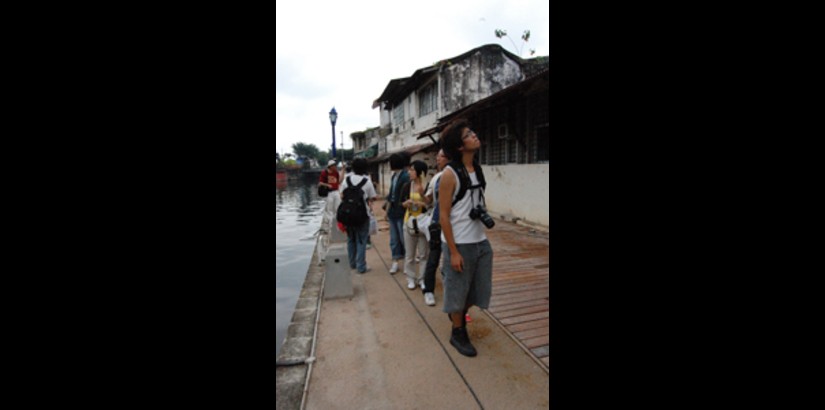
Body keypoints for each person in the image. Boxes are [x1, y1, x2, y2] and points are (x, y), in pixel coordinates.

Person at [438, 118, 493, 357]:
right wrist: (454, 252)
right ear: (460, 147)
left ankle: (457, 316)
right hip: (460, 242)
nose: (474, 135)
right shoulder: (449, 174)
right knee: (458, 293)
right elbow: (443, 215)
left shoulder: (477, 169)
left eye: (472, 132)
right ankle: (457, 332)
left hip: (480, 241)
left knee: (479, 291)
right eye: (469, 134)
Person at [420, 149, 450, 306]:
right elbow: (428, 201)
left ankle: (452, 293)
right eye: (437, 155)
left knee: (450, 261)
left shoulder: (460, 174)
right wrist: (420, 192)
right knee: (434, 257)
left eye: (442, 156)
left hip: (454, 225)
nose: (438, 158)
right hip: (437, 222)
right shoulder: (437, 178)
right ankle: (429, 290)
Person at [339, 158, 377, 274]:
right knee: (361, 240)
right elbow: (373, 197)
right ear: (365, 168)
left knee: (351, 239)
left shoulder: (347, 180)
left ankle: (352, 264)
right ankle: (361, 266)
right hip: (362, 216)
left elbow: (341, 196)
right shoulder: (367, 181)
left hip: (348, 215)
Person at [400, 160, 429, 290]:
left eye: (412, 170)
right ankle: (410, 278)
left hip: (423, 223)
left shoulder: (428, 186)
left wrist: (422, 202)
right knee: (409, 255)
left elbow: (431, 205)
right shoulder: (407, 186)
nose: (409, 172)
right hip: (409, 222)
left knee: (423, 254)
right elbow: (401, 203)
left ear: (419, 172)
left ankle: (422, 279)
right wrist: (406, 203)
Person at [385, 152, 410, 274]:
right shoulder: (394, 176)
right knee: (394, 239)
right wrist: (387, 211)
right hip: (393, 212)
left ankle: (406, 261)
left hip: (401, 211)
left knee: (403, 238)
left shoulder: (405, 176)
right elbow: (391, 195)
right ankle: (395, 261)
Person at [318, 160, 341, 233]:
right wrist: (327, 185)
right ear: (330, 167)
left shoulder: (336, 173)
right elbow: (320, 183)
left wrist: (343, 170)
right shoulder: (324, 173)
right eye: (334, 165)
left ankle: (338, 224)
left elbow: (339, 181)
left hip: (336, 191)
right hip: (329, 193)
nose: (335, 167)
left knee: (338, 207)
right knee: (329, 209)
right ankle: (330, 226)